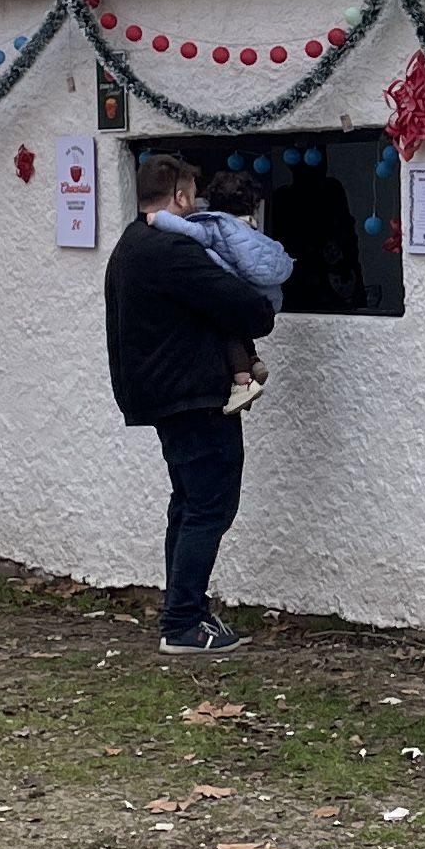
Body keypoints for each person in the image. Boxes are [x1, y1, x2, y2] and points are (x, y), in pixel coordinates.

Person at [103, 149, 277, 655]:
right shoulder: (170, 251)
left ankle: (183, 613)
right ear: (180, 196)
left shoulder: (131, 244)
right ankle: (183, 623)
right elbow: (248, 308)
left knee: (188, 505)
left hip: (163, 393)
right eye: (192, 195)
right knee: (209, 505)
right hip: (190, 395)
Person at [160, 160, 292, 414]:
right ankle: (254, 361)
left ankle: (243, 381)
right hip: (266, 297)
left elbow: (188, 231)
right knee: (239, 325)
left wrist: (160, 219)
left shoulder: (213, 225)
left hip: (240, 295)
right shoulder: (251, 230)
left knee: (225, 328)